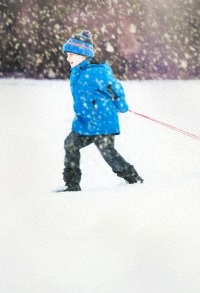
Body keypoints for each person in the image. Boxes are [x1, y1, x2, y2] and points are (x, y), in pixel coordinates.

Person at [58, 29, 143, 192]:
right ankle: (72, 184)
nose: (67, 58)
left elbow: (115, 87)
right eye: (67, 54)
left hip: (103, 122)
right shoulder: (77, 72)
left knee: (108, 153)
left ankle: (133, 178)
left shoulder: (97, 72)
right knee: (70, 144)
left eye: (71, 55)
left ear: (83, 55)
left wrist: (122, 105)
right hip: (84, 122)